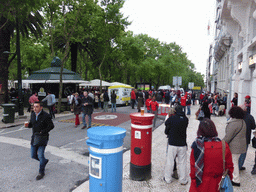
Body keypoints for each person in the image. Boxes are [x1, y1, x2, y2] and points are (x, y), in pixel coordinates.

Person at [189, 118, 233, 191]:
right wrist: (228, 179)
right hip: (218, 183)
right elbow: (229, 167)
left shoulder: (197, 146)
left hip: (201, 183)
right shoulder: (224, 145)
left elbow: (193, 167)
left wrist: (194, 181)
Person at [26, 101, 54, 180]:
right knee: (33, 155)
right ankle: (44, 161)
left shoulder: (46, 115)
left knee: (40, 155)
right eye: (34, 107)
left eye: (37, 107)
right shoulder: (32, 114)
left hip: (42, 138)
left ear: (41, 107)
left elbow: (51, 126)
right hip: (34, 138)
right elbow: (31, 124)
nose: (34, 108)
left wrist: (43, 131)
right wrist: (28, 125)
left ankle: (41, 172)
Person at [164, 105, 189, 185]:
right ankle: (183, 180)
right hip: (182, 144)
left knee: (170, 161)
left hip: (172, 143)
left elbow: (166, 124)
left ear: (175, 111)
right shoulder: (186, 119)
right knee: (182, 162)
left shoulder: (172, 118)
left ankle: (168, 179)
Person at [222, 106, 246, 187]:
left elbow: (228, 137)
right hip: (241, 146)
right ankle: (234, 177)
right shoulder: (242, 122)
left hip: (234, 147)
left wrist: (221, 143)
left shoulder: (233, 123)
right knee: (235, 162)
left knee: (234, 163)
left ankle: (236, 180)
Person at [238, 104, 256, 170]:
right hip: (246, 138)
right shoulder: (250, 117)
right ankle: (239, 166)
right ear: (245, 109)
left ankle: (236, 166)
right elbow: (253, 126)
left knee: (236, 153)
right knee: (243, 154)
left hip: (237, 138)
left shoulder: (237, 116)